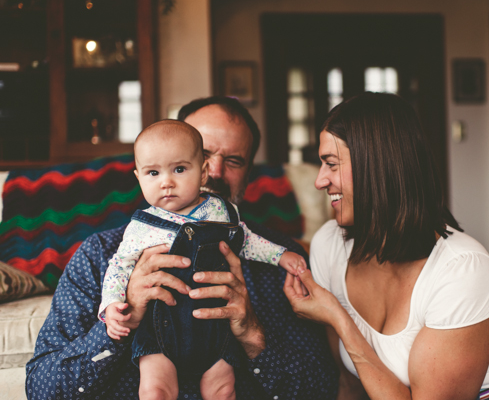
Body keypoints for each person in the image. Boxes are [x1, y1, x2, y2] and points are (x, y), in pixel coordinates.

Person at [26, 96, 338, 400]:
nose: (213, 172)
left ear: (248, 174)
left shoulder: (279, 261)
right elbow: (41, 390)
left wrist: (253, 337)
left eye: (233, 161)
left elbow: (321, 390)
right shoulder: (100, 254)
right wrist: (116, 326)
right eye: (201, 154)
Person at [284, 92, 489, 400]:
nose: (320, 181)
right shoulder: (329, 246)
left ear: (378, 167)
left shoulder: (462, 269)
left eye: (331, 164)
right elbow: (351, 381)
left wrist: (340, 319)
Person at [100, 120, 306, 400]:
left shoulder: (220, 211)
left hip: (217, 330)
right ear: (138, 177)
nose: (167, 182)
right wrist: (112, 305)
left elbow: (246, 240)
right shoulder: (142, 227)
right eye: (152, 172)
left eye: (180, 169)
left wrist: (281, 255)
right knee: (155, 391)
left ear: (203, 172)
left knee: (223, 390)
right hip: (161, 331)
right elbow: (119, 267)